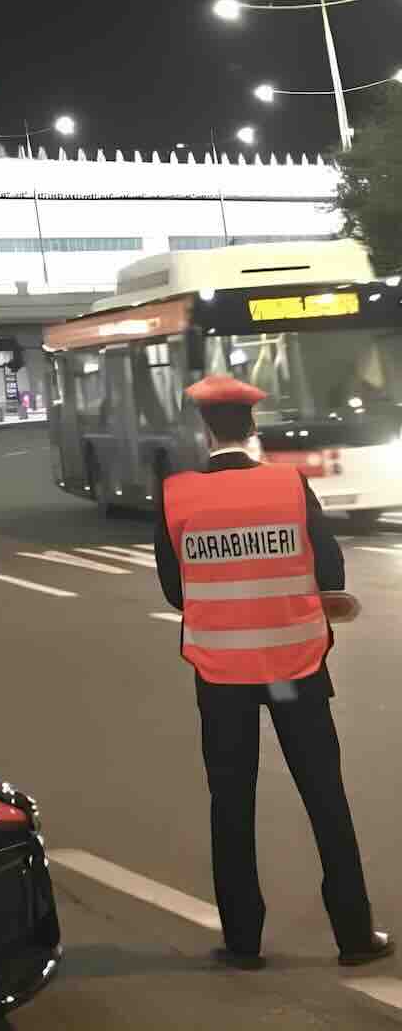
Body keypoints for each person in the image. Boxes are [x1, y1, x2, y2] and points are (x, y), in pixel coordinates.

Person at [156, 374, 391, 971]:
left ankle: (243, 941)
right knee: (324, 794)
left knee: (231, 801)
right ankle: (354, 933)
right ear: (252, 427)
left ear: (205, 429)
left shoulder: (177, 494)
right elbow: (330, 568)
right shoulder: (289, 485)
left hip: (222, 675)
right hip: (296, 667)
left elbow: (173, 590)